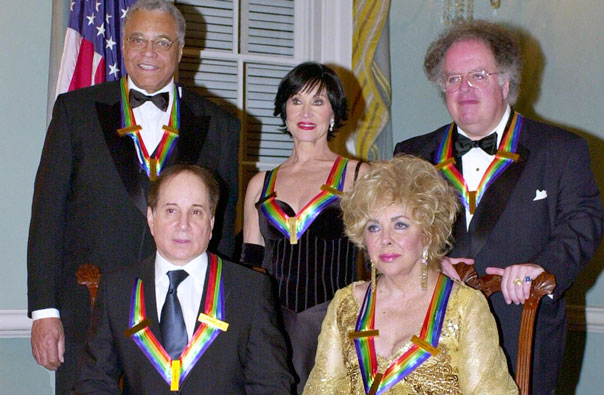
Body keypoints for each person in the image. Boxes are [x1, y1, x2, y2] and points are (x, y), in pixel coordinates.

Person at [27, 1, 240, 392]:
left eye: (162, 42)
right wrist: (44, 311)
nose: (148, 52)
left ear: (180, 49)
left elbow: (222, 232)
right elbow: (47, 215)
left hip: (183, 321)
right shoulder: (76, 111)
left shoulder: (222, 125)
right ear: (122, 46)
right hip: (86, 312)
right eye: (137, 40)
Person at [394, 21, 604, 393]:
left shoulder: (561, 150)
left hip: (523, 330)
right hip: (429, 329)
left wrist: (543, 267)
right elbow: (390, 234)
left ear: (506, 83)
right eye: (454, 78)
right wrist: (426, 263)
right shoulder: (411, 155)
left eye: (478, 75)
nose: (465, 88)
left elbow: (584, 222)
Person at [304, 156, 517, 394]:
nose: (385, 239)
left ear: (428, 233)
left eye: (400, 225)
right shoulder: (346, 304)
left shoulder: (464, 307)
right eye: (373, 227)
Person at [73, 164, 292, 394]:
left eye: (196, 211)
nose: (183, 224)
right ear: (151, 217)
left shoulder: (249, 290)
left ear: (211, 223)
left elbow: (271, 386)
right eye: (171, 210)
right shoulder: (117, 289)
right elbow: (94, 383)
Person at [241, 61, 369, 392]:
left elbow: (382, 259)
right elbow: (250, 266)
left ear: (334, 112)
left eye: (318, 101)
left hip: (337, 326)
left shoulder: (359, 176)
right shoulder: (259, 184)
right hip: (270, 329)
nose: (306, 111)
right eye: (296, 100)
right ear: (284, 108)